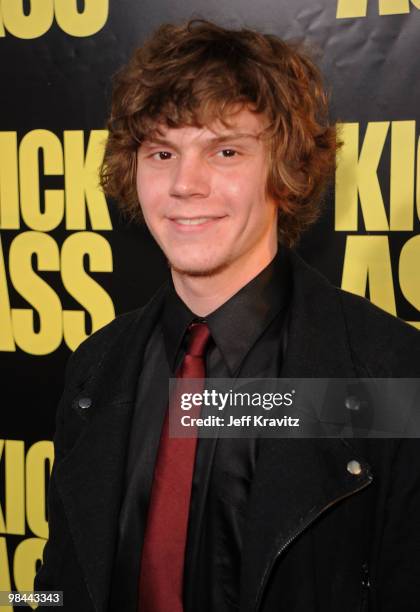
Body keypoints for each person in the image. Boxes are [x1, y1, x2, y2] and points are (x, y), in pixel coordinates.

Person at [34, 19, 420, 612]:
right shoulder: (96, 368)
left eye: (226, 150)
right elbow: (55, 589)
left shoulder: (388, 375)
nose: (185, 184)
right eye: (162, 152)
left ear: (283, 171)